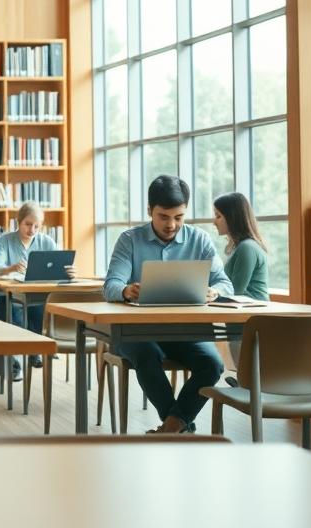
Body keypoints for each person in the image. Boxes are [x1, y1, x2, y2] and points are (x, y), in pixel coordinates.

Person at [104, 176, 233, 433]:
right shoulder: (129, 240)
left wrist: (213, 292)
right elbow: (110, 287)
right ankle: (178, 424)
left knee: (213, 364)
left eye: (179, 217)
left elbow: (225, 284)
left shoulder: (200, 240)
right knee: (147, 354)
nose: (172, 224)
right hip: (136, 332)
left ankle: (172, 426)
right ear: (150, 210)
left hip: (185, 332)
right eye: (163, 217)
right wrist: (127, 291)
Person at [0, 202, 60, 381]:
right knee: (8, 309)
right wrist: (10, 268)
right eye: (28, 224)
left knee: (38, 307)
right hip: (8, 296)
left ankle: (32, 349)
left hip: (35, 295)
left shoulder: (46, 241)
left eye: (37, 226)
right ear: (18, 222)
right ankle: (26, 353)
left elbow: (60, 265)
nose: (32, 230)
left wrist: (67, 270)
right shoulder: (5, 241)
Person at [213, 191, 269, 374]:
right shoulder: (242, 247)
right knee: (243, 372)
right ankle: (241, 385)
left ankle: (242, 387)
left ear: (232, 217)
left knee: (246, 373)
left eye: (218, 216)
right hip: (244, 321)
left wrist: (210, 293)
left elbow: (234, 291)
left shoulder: (247, 248)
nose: (215, 221)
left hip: (249, 321)